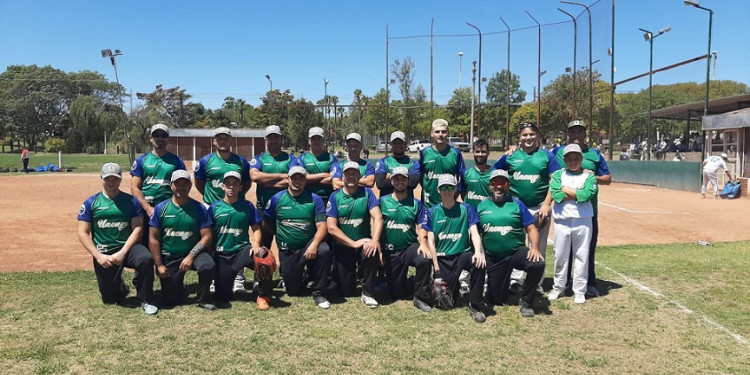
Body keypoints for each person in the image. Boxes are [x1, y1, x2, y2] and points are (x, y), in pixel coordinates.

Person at [77, 162, 158, 315]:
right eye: (108, 179)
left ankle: (146, 298)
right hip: (104, 251)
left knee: (145, 258)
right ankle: (120, 286)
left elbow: (138, 229)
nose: (111, 183)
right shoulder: (91, 203)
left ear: (120, 180)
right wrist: (98, 256)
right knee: (110, 299)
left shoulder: (131, 201)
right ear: (101, 178)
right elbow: (83, 233)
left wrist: (122, 253)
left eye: (115, 179)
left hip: (128, 247)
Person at [495, 123, 559, 294]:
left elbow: (555, 182)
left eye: (531, 134)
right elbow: (494, 175)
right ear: (519, 137)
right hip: (515, 207)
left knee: (539, 246)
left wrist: (546, 204)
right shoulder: (511, 156)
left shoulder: (547, 156)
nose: (528, 138)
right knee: (517, 246)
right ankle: (515, 281)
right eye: (524, 135)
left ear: (537, 136)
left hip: (539, 207)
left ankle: (535, 283)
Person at [477, 169, 545, 318]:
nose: (499, 186)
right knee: (498, 299)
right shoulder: (481, 206)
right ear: (490, 185)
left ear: (508, 185)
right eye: (495, 183)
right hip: (495, 258)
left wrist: (534, 248)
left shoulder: (517, 204)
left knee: (537, 263)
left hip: (516, 252)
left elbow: (531, 229)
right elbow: (474, 232)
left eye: (503, 183)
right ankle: (498, 287)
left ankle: (526, 301)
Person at [262, 166, 333, 309]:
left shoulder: (314, 199)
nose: (297, 181)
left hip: (308, 244)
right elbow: (266, 224)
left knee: (324, 250)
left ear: (306, 181)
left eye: (301, 178)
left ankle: (318, 292)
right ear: (288, 179)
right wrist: (281, 233)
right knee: (293, 291)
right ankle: (304, 275)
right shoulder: (277, 199)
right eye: (294, 178)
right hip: (288, 249)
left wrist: (314, 244)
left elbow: (322, 226)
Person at [554, 120, 610, 297]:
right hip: (563, 211)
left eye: (580, 132)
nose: (576, 135)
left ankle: (589, 283)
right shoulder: (556, 152)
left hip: (587, 211)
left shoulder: (594, 154)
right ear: (567, 134)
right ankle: (564, 283)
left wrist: (594, 177)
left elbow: (607, 178)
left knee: (586, 249)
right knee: (563, 251)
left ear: (585, 135)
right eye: (572, 132)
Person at [194, 127, 252, 294]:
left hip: (235, 206)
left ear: (230, 140)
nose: (223, 141)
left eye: (226, 138)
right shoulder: (205, 161)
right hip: (212, 207)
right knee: (212, 242)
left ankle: (239, 278)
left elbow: (246, 183)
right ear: (214, 141)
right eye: (219, 138)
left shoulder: (241, 161)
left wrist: (237, 197)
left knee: (237, 238)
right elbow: (200, 183)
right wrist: (212, 201)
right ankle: (212, 277)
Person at [148, 170, 216, 310]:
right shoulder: (161, 208)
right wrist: (159, 265)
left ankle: (203, 298)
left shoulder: (199, 208)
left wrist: (191, 256)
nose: (181, 187)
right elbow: (153, 238)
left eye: (185, 184)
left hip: (194, 254)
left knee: (207, 265)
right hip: (170, 256)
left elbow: (207, 236)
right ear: (171, 186)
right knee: (170, 301)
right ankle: (178, 287)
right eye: (177, 184)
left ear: (190, 185)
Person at [423, 174, 486, 323]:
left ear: (455, 189)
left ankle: (475, 305)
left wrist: (478, 252)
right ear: (438, 189)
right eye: (443, 188)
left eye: (450, 187)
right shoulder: (432, 212)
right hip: (443, 258)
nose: (447, 191)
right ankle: (456, 286)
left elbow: (475, 233)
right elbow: (431, 242)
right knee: (448, 302)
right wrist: (437, 271)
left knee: (478, 263)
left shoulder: (466, 209)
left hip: (462, 255)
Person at [209, 171, 269, 310]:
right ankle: (224, 286)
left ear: (241, 187)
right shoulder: (214, 207)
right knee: (222, 297)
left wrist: (256, 245)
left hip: (242, 250)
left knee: (265, 261)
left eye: (235, 184)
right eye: (228, 184)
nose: (232, 187)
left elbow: (256, 229)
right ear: (222, 186)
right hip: (222, 253)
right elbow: (208, 233)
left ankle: (263, 296)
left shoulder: (247, 206)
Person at [326, 161, 383, 308]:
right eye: (348, 174)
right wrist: (352, 243)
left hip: (363, 244)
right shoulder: (335, 196)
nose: (351, 176)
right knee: (347, 291)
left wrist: (375, 240)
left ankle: (368, 293)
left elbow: (378, 217)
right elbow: (331, 228)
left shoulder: (367, 193)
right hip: (344, 246)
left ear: (359, 176)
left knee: (372, 250)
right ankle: (346, 278)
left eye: (354, 173)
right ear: (343, 177)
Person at [378, 166, 433, 312]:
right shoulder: (382, 202)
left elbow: (422, 226)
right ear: (391, 181)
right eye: (396, 179)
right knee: (396, 294)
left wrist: (423, 243)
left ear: (408, 181)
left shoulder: (416, 203)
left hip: (409, 247)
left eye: (403, 179)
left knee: (424, 259)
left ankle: (420, 297)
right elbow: (375, 225)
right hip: (390, 250)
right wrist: (378, 248)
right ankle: (410, 282)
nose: (400, 182)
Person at [548, 144, 597, 304]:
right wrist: (575, 193)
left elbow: (587, 194)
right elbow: (556, 195)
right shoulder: (558, 174)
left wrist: (565, 189)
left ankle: (579, 290)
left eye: (576, 158)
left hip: (583, 220)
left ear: (581, 159)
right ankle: (558, 287)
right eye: (570, 158)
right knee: (560, 255)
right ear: (565, 159)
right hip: (562, 220)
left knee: (582, 256)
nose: (573, 161)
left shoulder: (589, 176)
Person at [130, 123, 187, 244]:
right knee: (144, 242)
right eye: (156, 135)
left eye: (163, 135)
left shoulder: (176, 161)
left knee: (167, 242)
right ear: (151, 138)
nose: (160, 138)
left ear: (168, 139)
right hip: (146, 209)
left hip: (168, 208)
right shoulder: (142, 160)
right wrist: (148, 208)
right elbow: (134, 188)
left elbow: (183, 186)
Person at [419, 119, 466, 209]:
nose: (440, 134)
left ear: (448, 134)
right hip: (428, 206)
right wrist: (428, 187)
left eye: (443, 132)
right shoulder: (424, 153)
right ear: (432, 133)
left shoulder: (455, 153)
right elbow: (421, 176)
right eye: (437, 132)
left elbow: (462, 177)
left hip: (449, 204)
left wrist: (456, 192)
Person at [291, 127, 340, 204]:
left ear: (323, 140)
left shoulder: (332, 158)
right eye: (313, 138)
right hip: (307, 200)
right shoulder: (302, 158)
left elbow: (333, 179)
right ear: (309, 141)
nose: (316, 141)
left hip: (328, 200)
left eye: (319, 138)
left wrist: (310, 179)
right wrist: (324, 174)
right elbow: (302, 178)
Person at [375, 131, 421, 198]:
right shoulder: (383, 162)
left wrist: (391, 177)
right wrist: (405, 178)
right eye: (395, 143)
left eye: (400, 143)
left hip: (407, 204)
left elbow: (413, 183)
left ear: (405, 144)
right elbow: (380, 184)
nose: (398, 145)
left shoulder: (413, 163)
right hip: (386, 204)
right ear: (391, 145)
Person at [460, 139, 493, 209]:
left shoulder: (494, 174)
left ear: (488, 153)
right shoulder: (466, 174)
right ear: (473, 152)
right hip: (471, 217)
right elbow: (459, 195)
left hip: (488, 216)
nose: (480, 154)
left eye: (483, 152)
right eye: (477, 151)